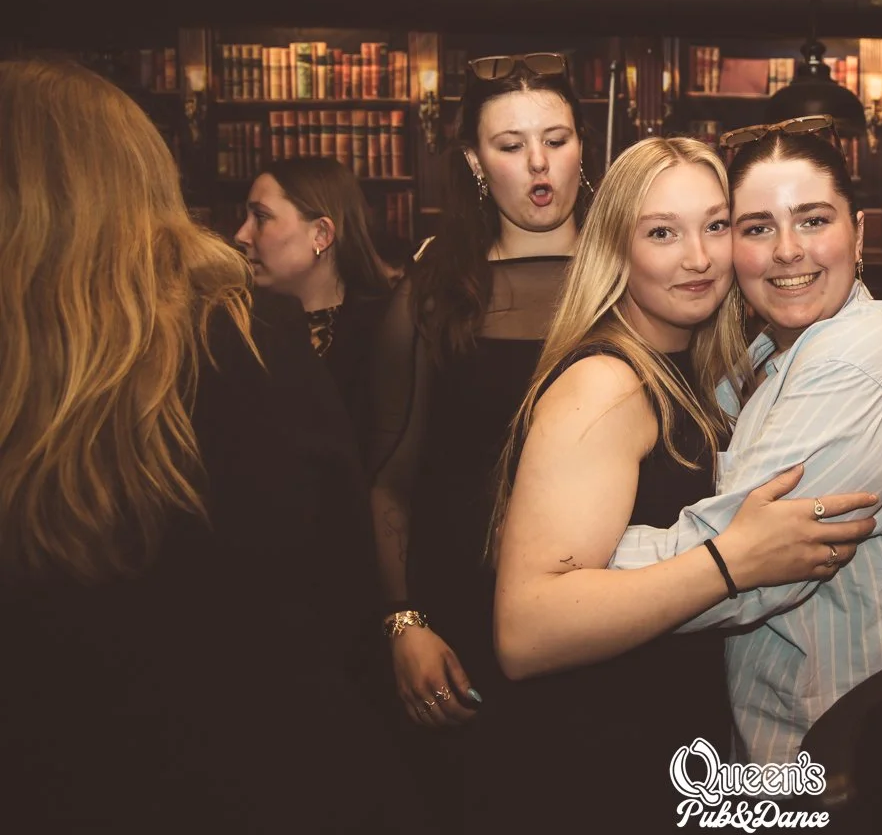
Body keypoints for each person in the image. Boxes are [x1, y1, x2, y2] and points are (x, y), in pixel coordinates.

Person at [0, 57, 424, 833]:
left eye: (262, 216)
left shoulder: (282, 335)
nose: (240, 234)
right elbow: (331, 576)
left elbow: (364, 527)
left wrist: (401, 622)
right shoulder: (246, 339)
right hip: (258, 764)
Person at [490, 136, 877, 824]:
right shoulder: (607, 385)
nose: (698, 257)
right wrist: (731, 562)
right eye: (662, 233)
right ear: (617, 249)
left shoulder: (698, 370)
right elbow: (526, 630)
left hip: (672, 747)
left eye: (717, 226)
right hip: (597, 764)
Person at [608, 117, 882, 769]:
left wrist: (563, 558)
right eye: (758, 227)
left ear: (859, 233)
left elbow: (733, 569)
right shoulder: (770, 351)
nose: (788, 250)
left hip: (872, 761)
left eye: (813, 220)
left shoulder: (862, 366)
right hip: (799, 737)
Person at [364, 52, 587, 831]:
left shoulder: (640, 279)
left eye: (557, 139)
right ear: (473, 162)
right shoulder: (434, 296)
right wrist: (403, 622)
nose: (539, 164)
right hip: (464, 626)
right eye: (510, 144)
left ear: (583, 146)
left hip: (607, 615)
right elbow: (389, 480)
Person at [233, 156, 393, 419]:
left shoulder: (385, 334)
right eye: (245, 217)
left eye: (261, 217)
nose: (241, 235)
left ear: (321, 234)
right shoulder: (237, 324)